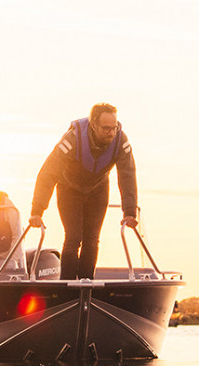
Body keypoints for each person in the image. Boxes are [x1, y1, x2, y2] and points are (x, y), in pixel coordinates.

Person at [28, 103, 139, 280]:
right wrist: (37, 211)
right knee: (73, 237)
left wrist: (130, 211)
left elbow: (128, 175)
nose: (111, 133)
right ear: (93, 125)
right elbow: (48, 172)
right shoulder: (73, 139)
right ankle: (68, 285)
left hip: (98, 189)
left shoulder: (120, 140)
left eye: (114, 128)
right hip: (69, 188)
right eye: (106, 128)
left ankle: (86, 283)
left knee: (92, 239)